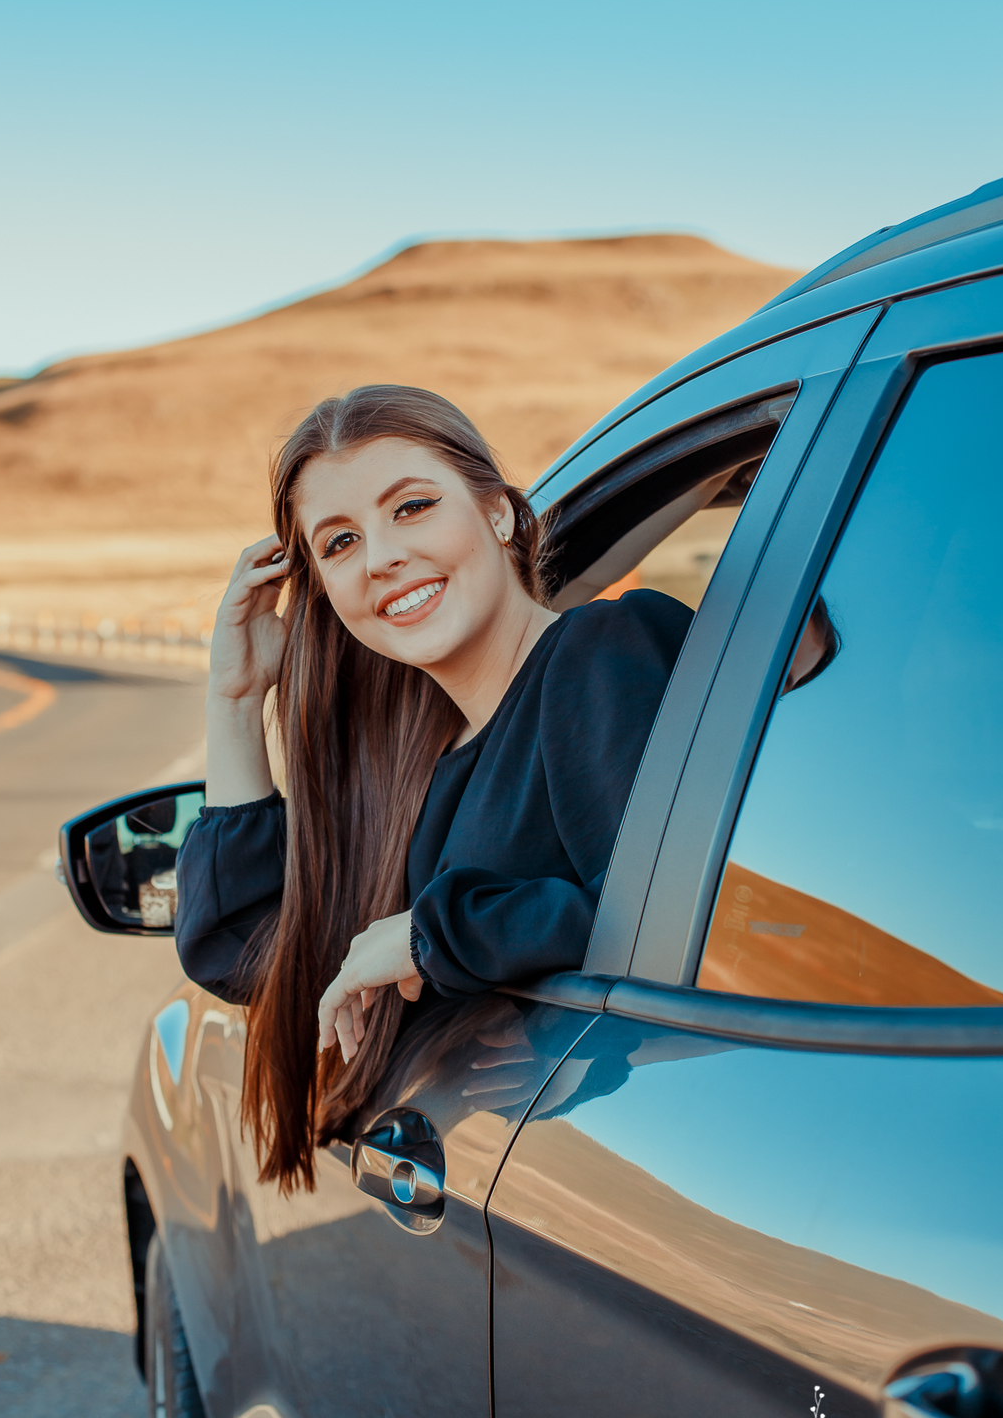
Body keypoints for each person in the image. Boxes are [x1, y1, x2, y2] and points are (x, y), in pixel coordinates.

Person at [174, 385, 691, 1189]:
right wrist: (237, 698)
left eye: (411, 507)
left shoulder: (600, 653)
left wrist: (429, 936)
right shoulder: (419, 769)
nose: (379, 556)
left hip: (639, 1189)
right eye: (339, 543)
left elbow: (674, 922)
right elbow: (243, 949)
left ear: (499, 513)